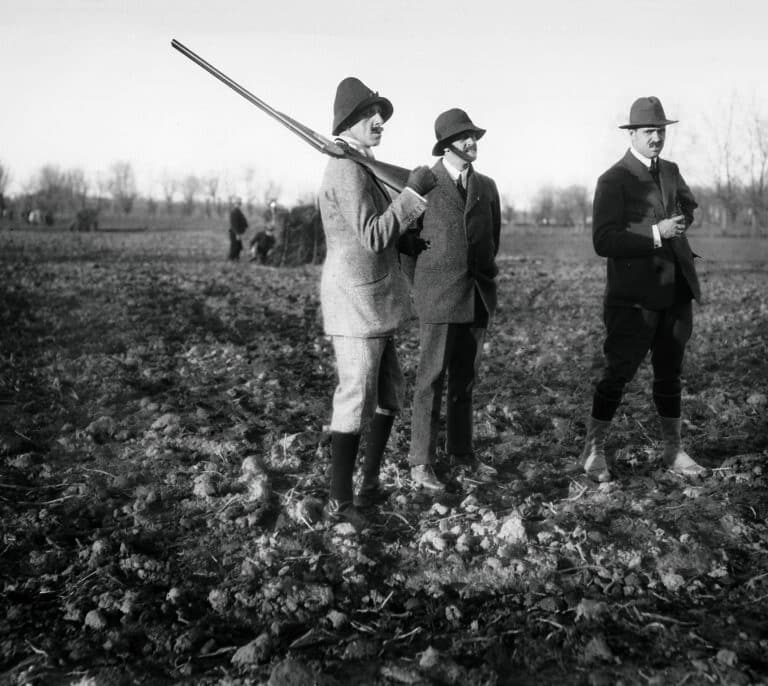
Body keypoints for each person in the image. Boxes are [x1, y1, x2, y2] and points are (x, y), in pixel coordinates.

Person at [318, 76, 437, 529]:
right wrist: (412, 195)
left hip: (375, 301)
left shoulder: (360, 164)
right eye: (370, 115)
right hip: (356, 304)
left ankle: (368, 485)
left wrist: (405, 242)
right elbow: (371, 235)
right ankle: (339, 501)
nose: (379, 121)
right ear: (348, 122)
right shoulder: (346, 169)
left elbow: (375, 232)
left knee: (390, 395)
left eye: (381, 115)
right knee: (354, 397)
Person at [581, 96, 706, 481]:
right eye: (649, 131)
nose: (657, 138)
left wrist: (680, 220)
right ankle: (593, 451)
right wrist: (656, 233)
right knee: (617, 373)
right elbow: (603, 240)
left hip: (676, 291)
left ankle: (674, 450)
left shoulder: (670, 170)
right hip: (633, 300)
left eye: (661, 131)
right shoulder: (613, 179)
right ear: (632, 134)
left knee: (670, 374)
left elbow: (688, 205)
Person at [407, 108, 501, 492]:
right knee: (430, 381)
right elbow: (406, 244)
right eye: (464, 137)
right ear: (446, 145)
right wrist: (423, 288)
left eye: (474, 135)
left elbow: (492, 240)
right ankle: (421, 462)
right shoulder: (423, 185)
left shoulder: (487, 187)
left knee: (465, 381)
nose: (472, 142)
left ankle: (462, 453)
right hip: (438, 298)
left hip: (476, 296)